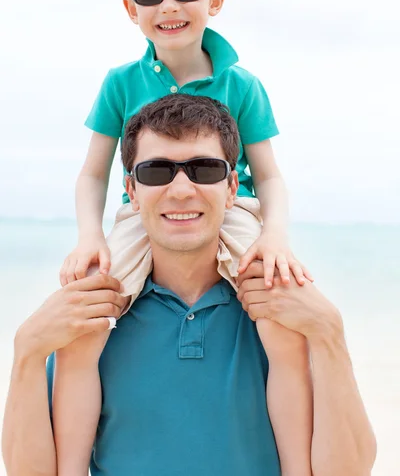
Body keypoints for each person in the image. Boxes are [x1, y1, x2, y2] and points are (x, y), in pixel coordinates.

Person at [51, 0, 316, 475]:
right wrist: (88, 236)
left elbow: (267, 175)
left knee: (280, 322)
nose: (169, 4)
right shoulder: (120, 83)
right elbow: (94, 173)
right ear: (132, 8)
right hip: (138, 216)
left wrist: (274, 238)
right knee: (85, 328)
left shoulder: (241, 85)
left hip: (230, 209)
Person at [2, 95, 376, 476]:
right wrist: (28, 350)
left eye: (205, 169)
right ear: (131, 192)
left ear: (233, 188)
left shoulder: (281, 310)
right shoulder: (94, 314)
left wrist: (330, 333)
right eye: (156, 172)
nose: (181, 191)